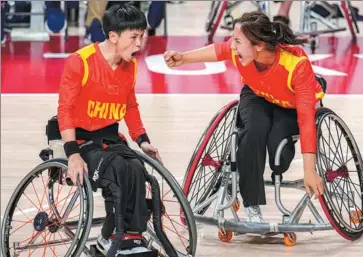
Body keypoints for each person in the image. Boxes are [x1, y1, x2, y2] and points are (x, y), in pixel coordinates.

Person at [164, 11, 324, 223]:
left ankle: (255, 172)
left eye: (237, 41)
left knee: (279, 153)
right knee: (253, 131)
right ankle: (251, 204)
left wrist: (309, 170)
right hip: (257, 95)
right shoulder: (241, 51)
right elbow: (218, 50)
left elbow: (305, 120)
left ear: (258, 45)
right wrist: (183, 58)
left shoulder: (295, 65)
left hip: (290, 106)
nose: (232, 46)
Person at [57, 4, 161, 256]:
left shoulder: (131, 66)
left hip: (111, 137)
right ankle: (112, 234)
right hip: (81, 139)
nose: (140, 43)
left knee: (136, 167)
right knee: (115, 166)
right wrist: (72, 154)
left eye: (142, 36)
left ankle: (133, 232)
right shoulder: (79, 61)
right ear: (113, 36)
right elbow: (65, 109)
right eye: (134, 37)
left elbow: (130, 105)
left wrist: (142, 140)